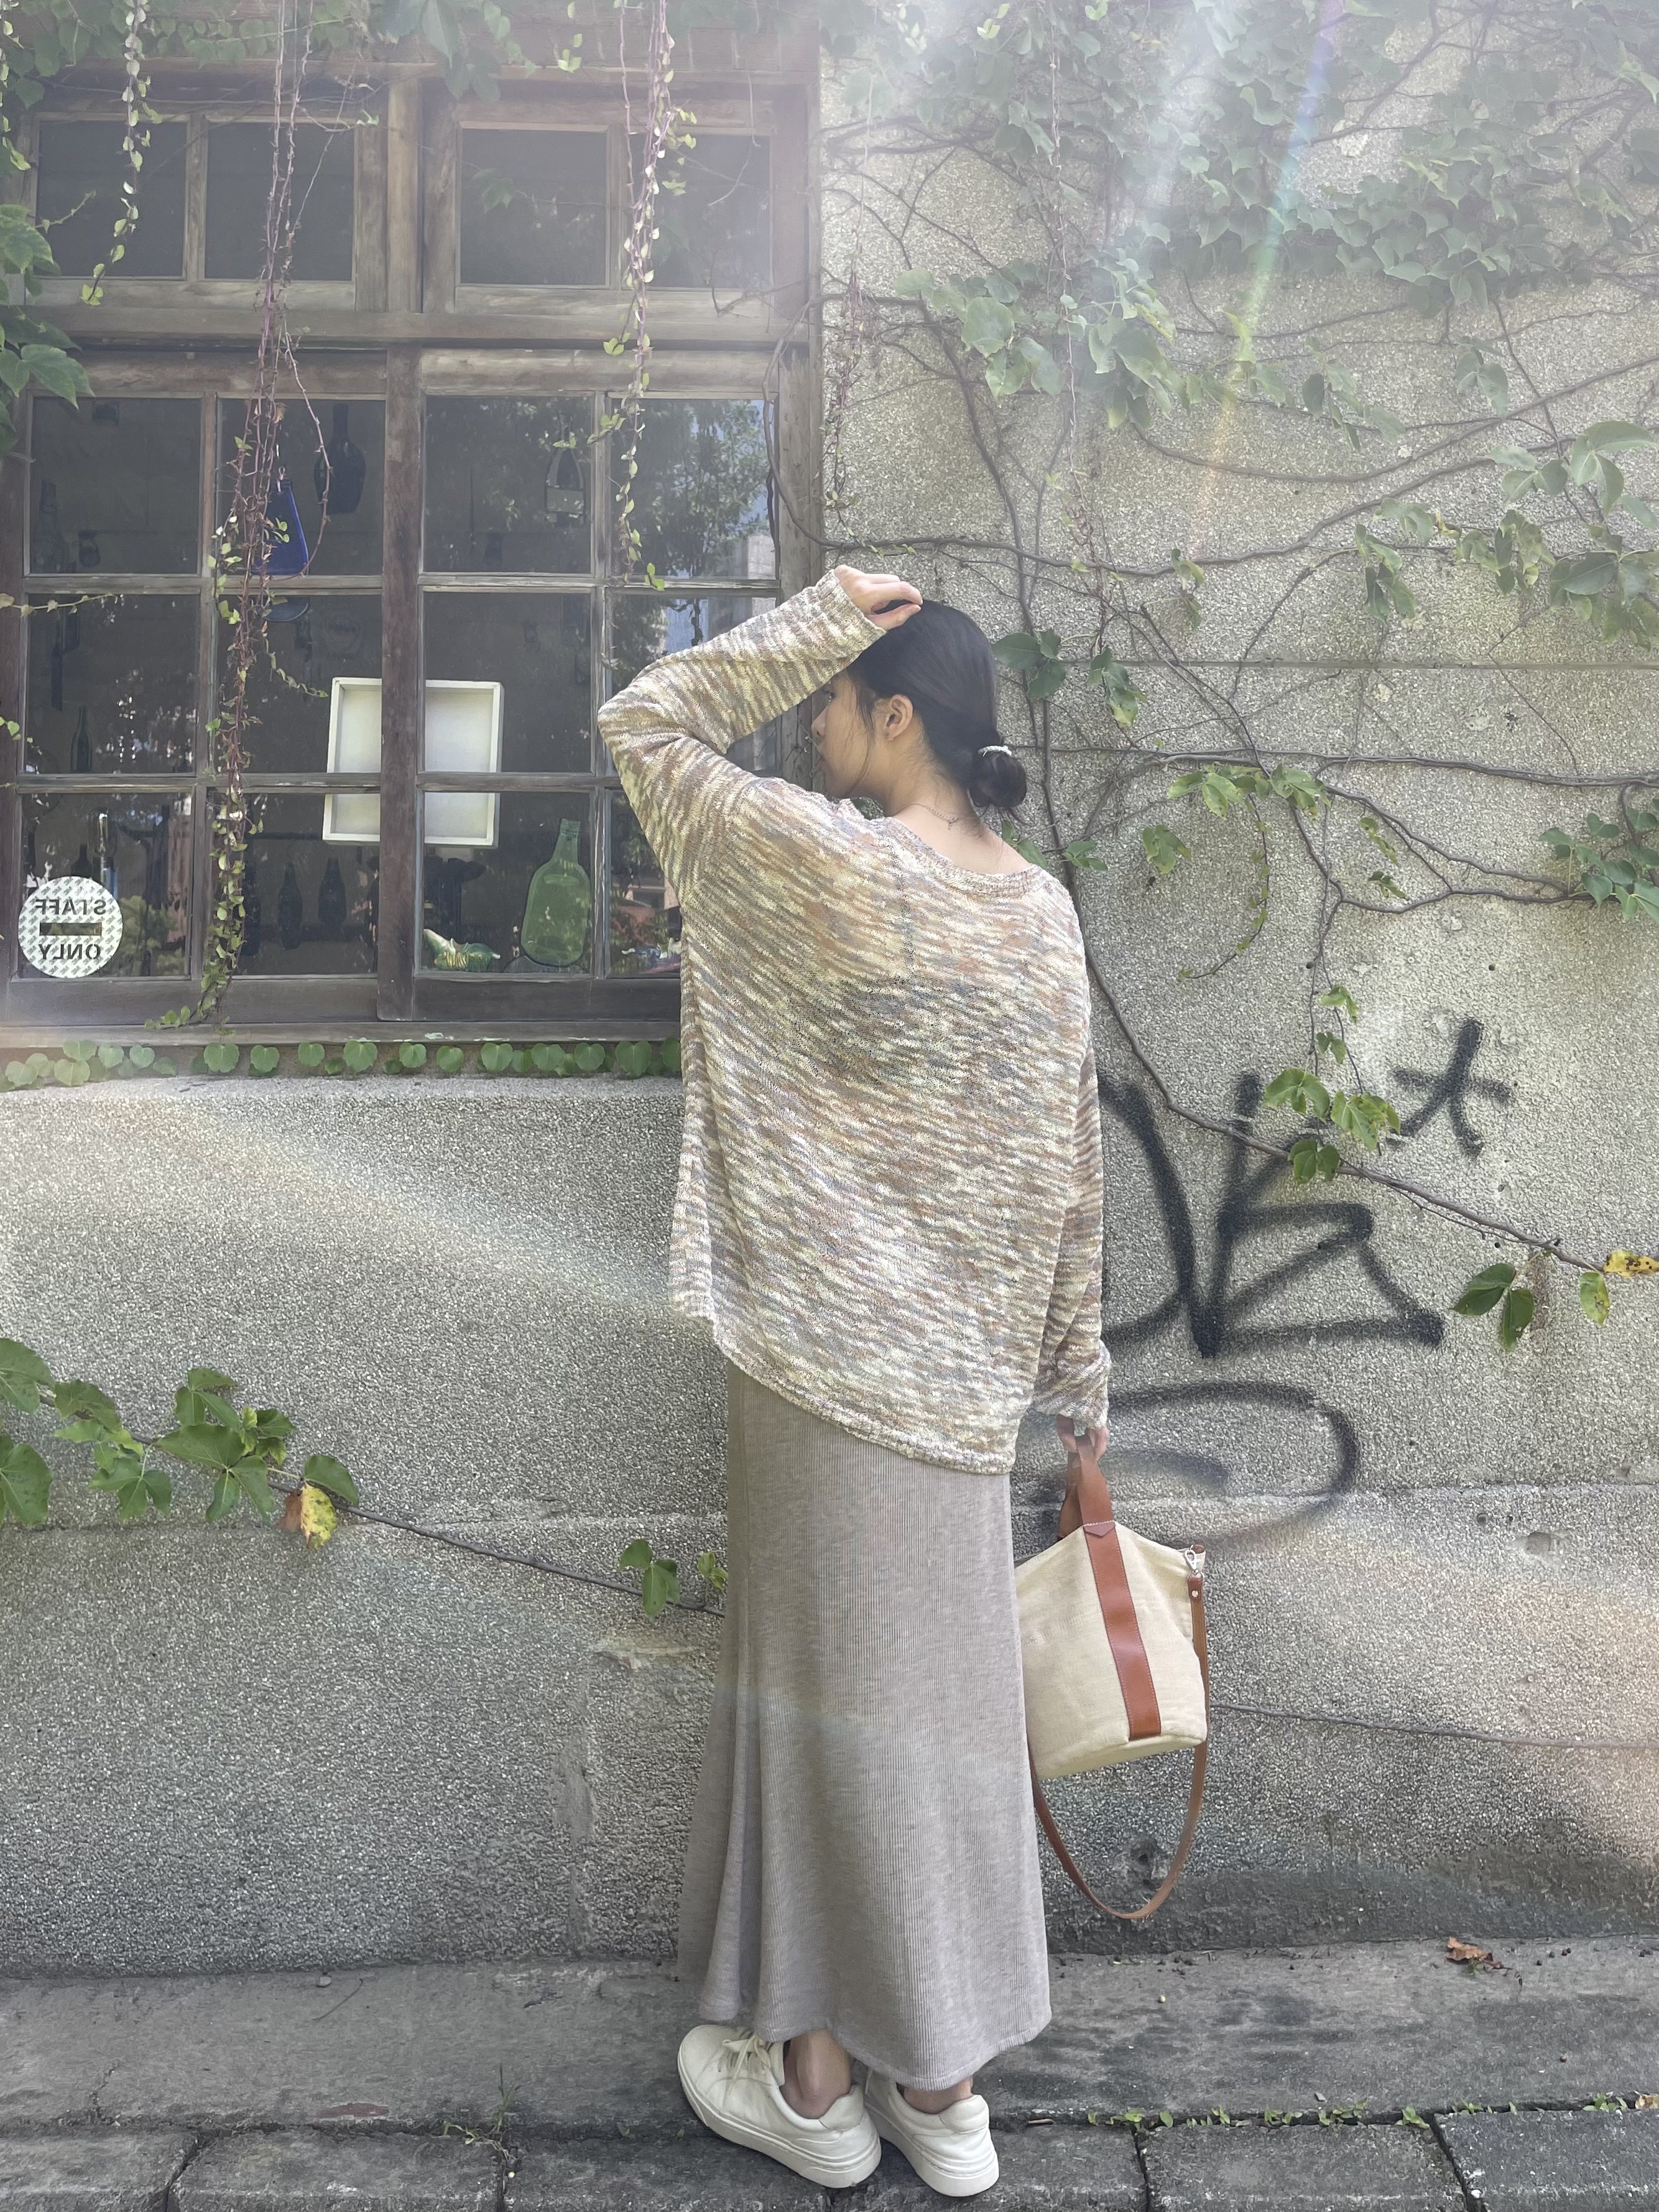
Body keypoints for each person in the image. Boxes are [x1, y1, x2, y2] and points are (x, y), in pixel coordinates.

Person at [597, 565, 1110, 2200]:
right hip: (962, 1395)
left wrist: (816, 613)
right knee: (939, 1720)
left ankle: (817, 2086)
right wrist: (1078, 1387)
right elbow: (1072, 1170)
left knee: (813, 1709)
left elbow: (644, 723)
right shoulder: (1041, 915)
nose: (815, 726)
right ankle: (940, 2093)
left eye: (834, 700)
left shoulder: (823, 861)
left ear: (895, 715)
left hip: (818, 1374)